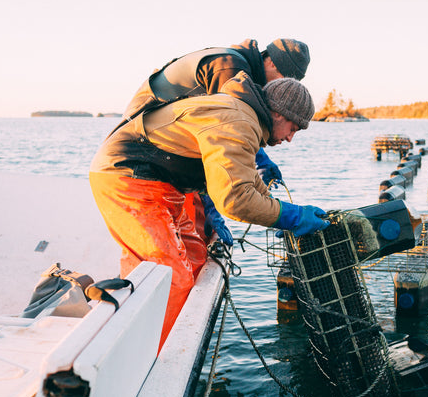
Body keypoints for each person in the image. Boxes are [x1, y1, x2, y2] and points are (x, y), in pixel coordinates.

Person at [89, 73, 329, 348]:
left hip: (165, 184)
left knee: (196, 256)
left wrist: (288, 210)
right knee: (169, 279)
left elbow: (247, 182)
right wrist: (292, 217)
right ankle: (154, 359)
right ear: (279, 113)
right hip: (128, 177)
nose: (290, 138)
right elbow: (235, 199)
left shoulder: (244, 116)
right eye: (294, 128)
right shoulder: (239, 121)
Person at [117, 38, 310, 245]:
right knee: (199, 217)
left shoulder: (244, 78)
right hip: (141, 142)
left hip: (167, 149)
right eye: (282, 78)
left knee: (191, 228)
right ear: (271, 62)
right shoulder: (230, 68)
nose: (280, 87)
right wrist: (213, 208)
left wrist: (260, 168)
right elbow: (223, 132)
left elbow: (229, 136)